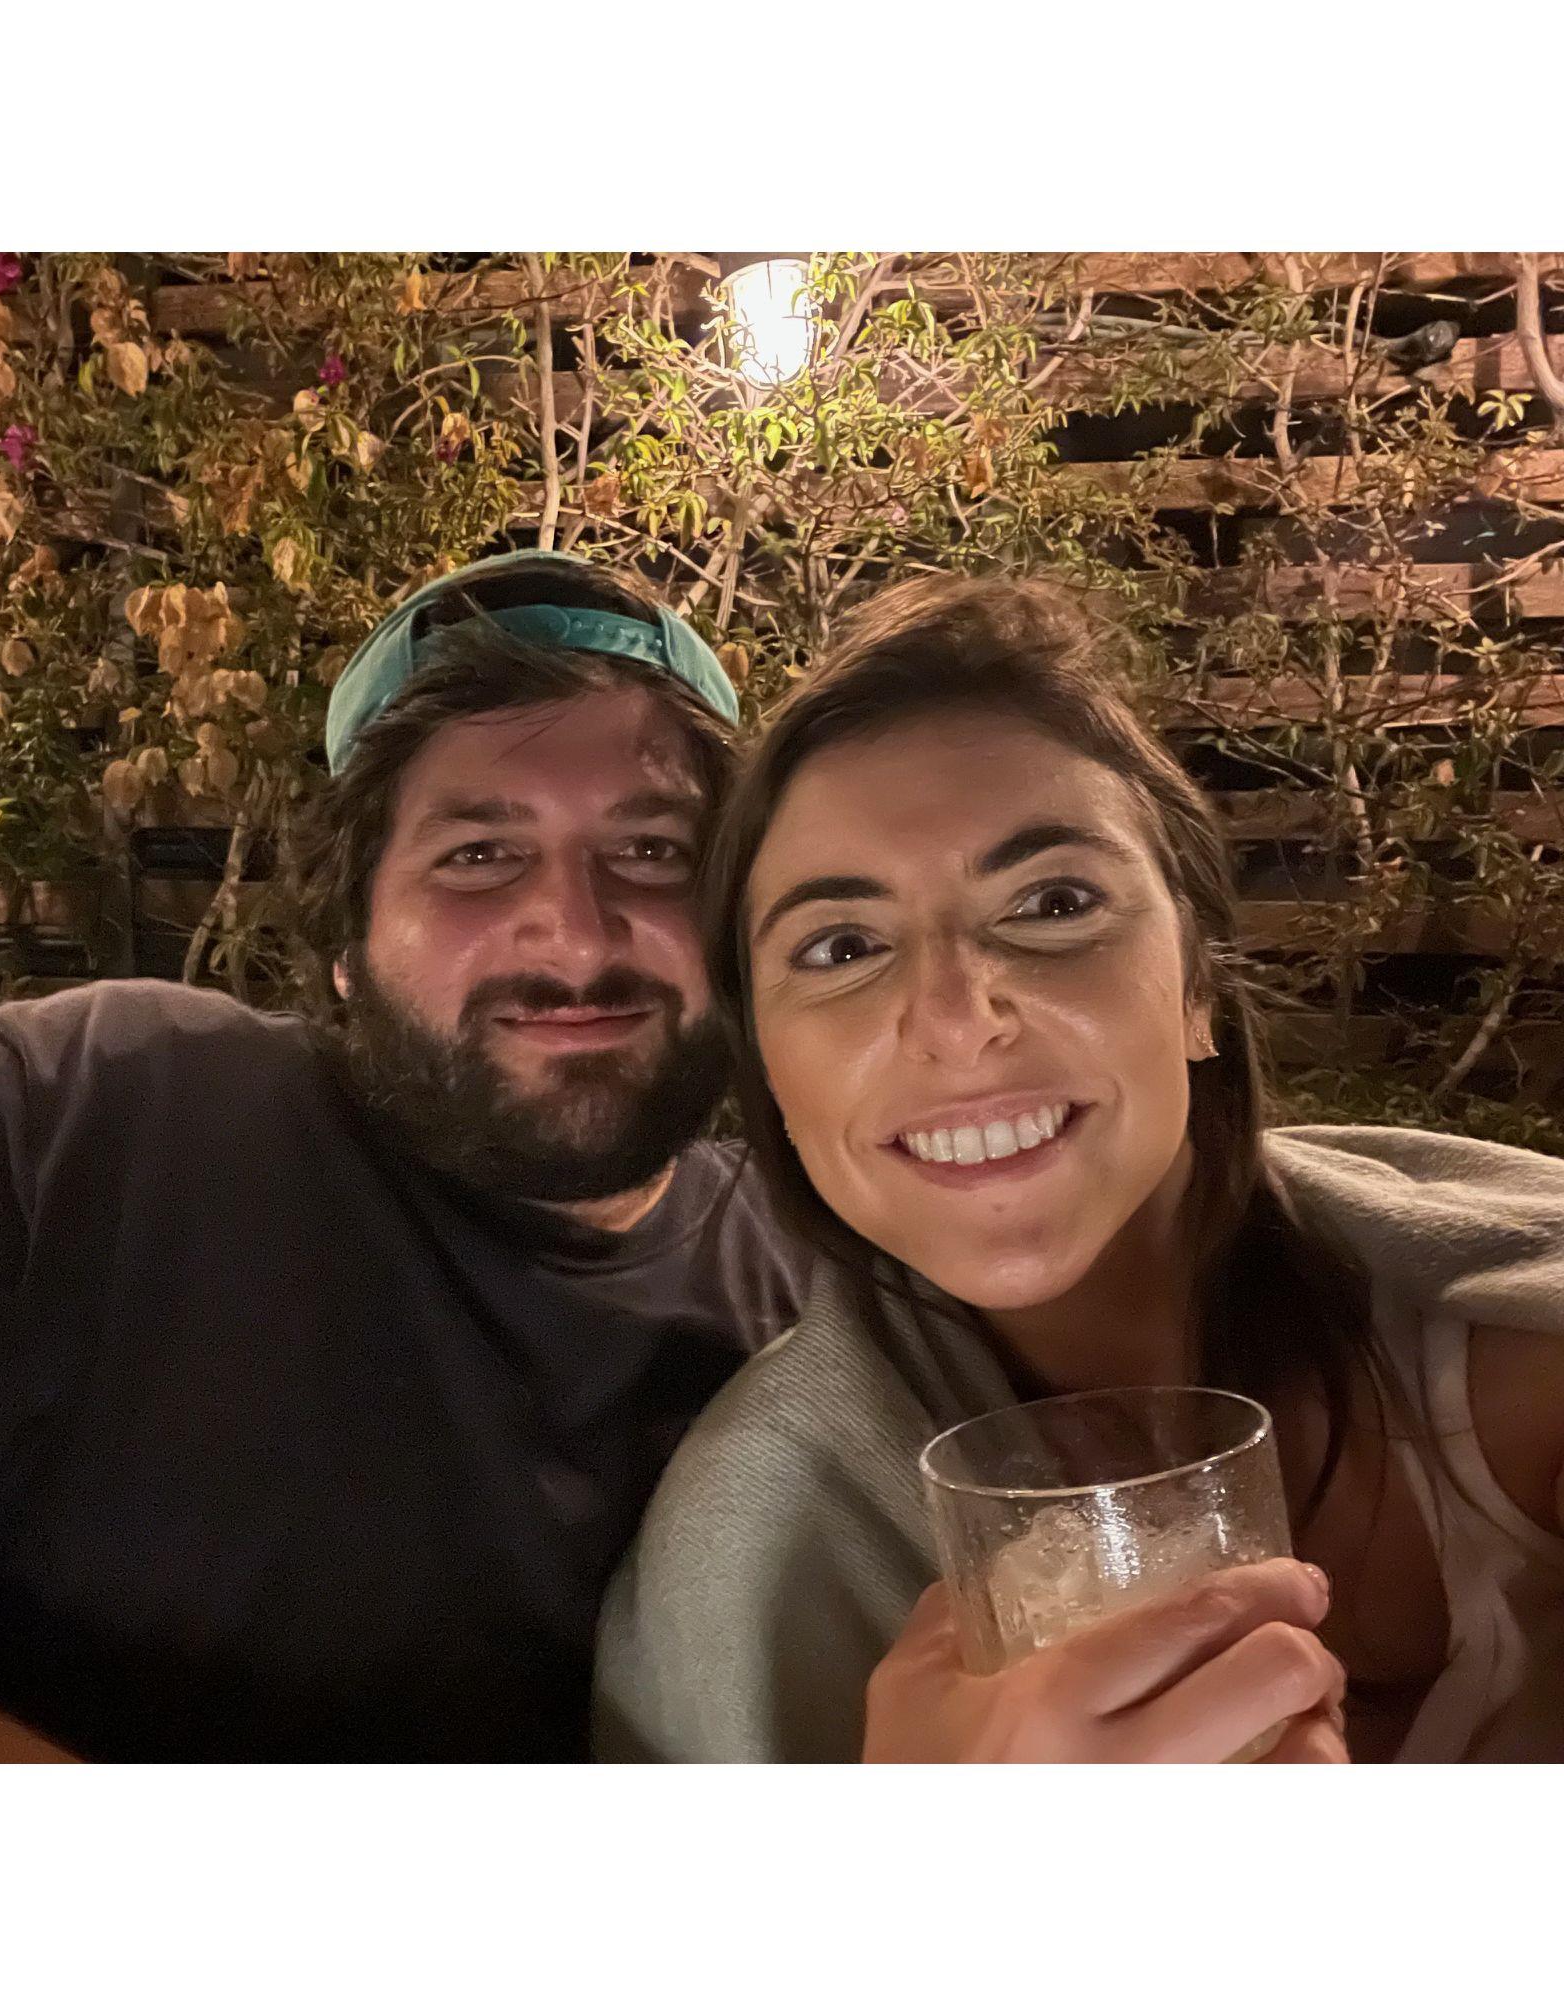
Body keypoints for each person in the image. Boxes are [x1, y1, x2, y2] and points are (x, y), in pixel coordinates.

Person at [0, 549, 811, 1762]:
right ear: (345, 945)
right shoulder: (100, 1114)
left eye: (653, 851)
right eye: (477, 855)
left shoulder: (823, 1274)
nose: (576, 934)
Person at [597, 573, 1564, 1764]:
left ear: (1198, 984)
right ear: (770, 1076)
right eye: (842, 947)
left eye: (1051, 903)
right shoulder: (747, 1553)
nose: (957, 1018)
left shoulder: (1520, 1366)